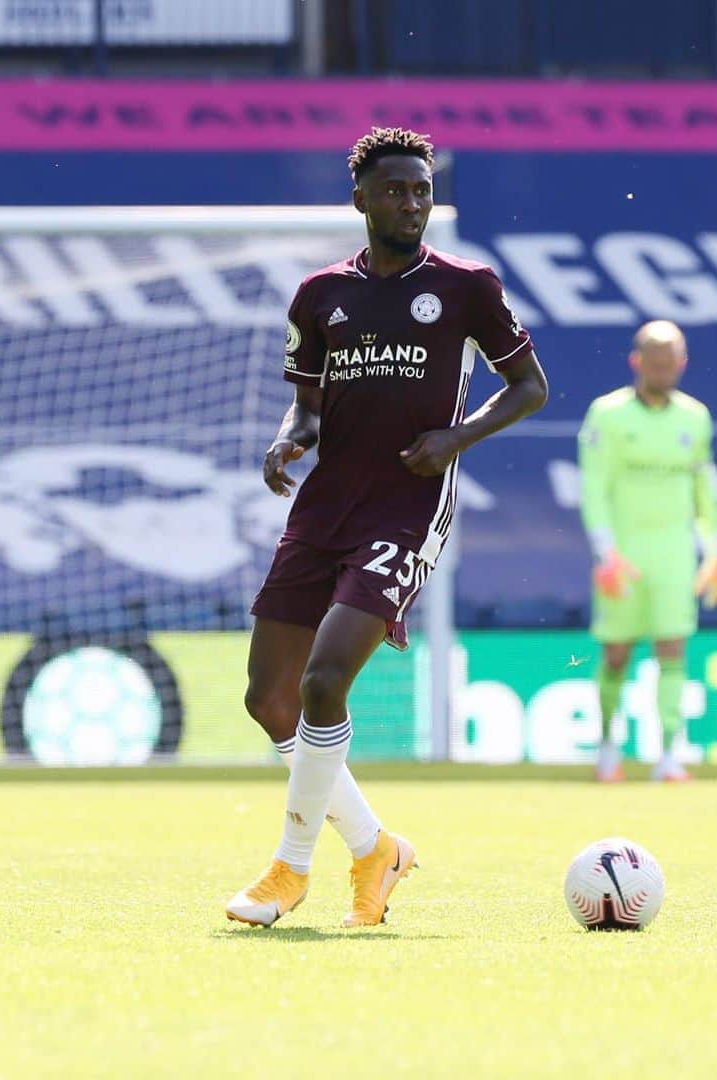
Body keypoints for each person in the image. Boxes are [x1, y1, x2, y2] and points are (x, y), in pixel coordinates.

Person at [226, 127, 548, 928]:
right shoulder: (320, 295)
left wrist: (456, 437)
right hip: (325, 505)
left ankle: (289, 869)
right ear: (361, 199)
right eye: (397, 190)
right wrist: (289, 438)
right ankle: (375, 849)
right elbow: (308, 401)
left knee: (323, 682)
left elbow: (531, 387)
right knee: (268, 698)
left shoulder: (468, 286)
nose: (413, 203)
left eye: (422, 190)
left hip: (407, 506)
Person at [577, 320, 717, 784]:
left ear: (682, 364)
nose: (664, 372)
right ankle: (608, 747)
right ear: (636, 362)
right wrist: (605, 551)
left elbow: (705, 490)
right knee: (617, 655)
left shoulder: (695, 417)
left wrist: (716, 553)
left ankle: (668, 753)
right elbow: (594, 487)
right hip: (623, 554)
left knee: (673, 650)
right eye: (655, 363)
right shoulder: (607, 414)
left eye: (672, 365)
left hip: (674, 555)